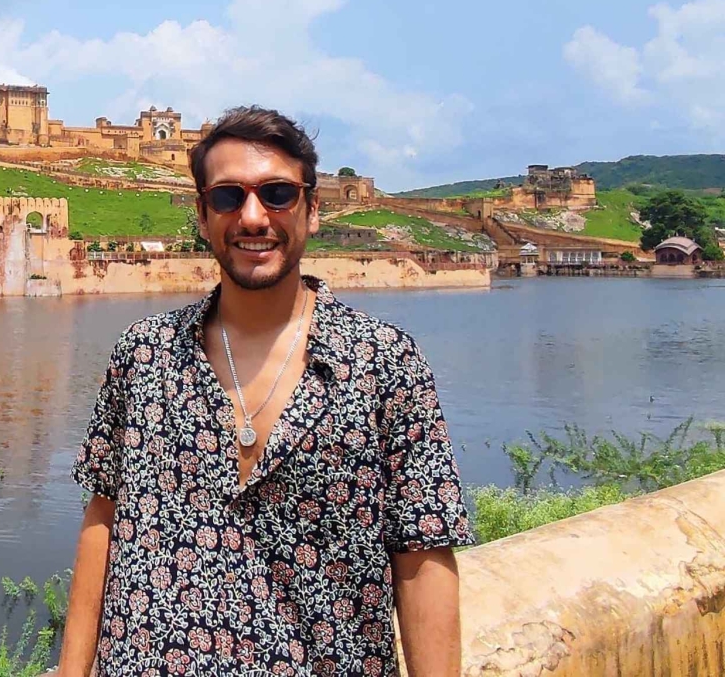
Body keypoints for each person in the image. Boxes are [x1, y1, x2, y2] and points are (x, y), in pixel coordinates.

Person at [60, 105, 472, 677]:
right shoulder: (143, 354)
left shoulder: (385, 363)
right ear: (203, 215)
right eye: (228, 197)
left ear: (313, 209)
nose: (253, 217)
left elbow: (422, 553)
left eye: (277, 194)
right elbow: (103, 518)